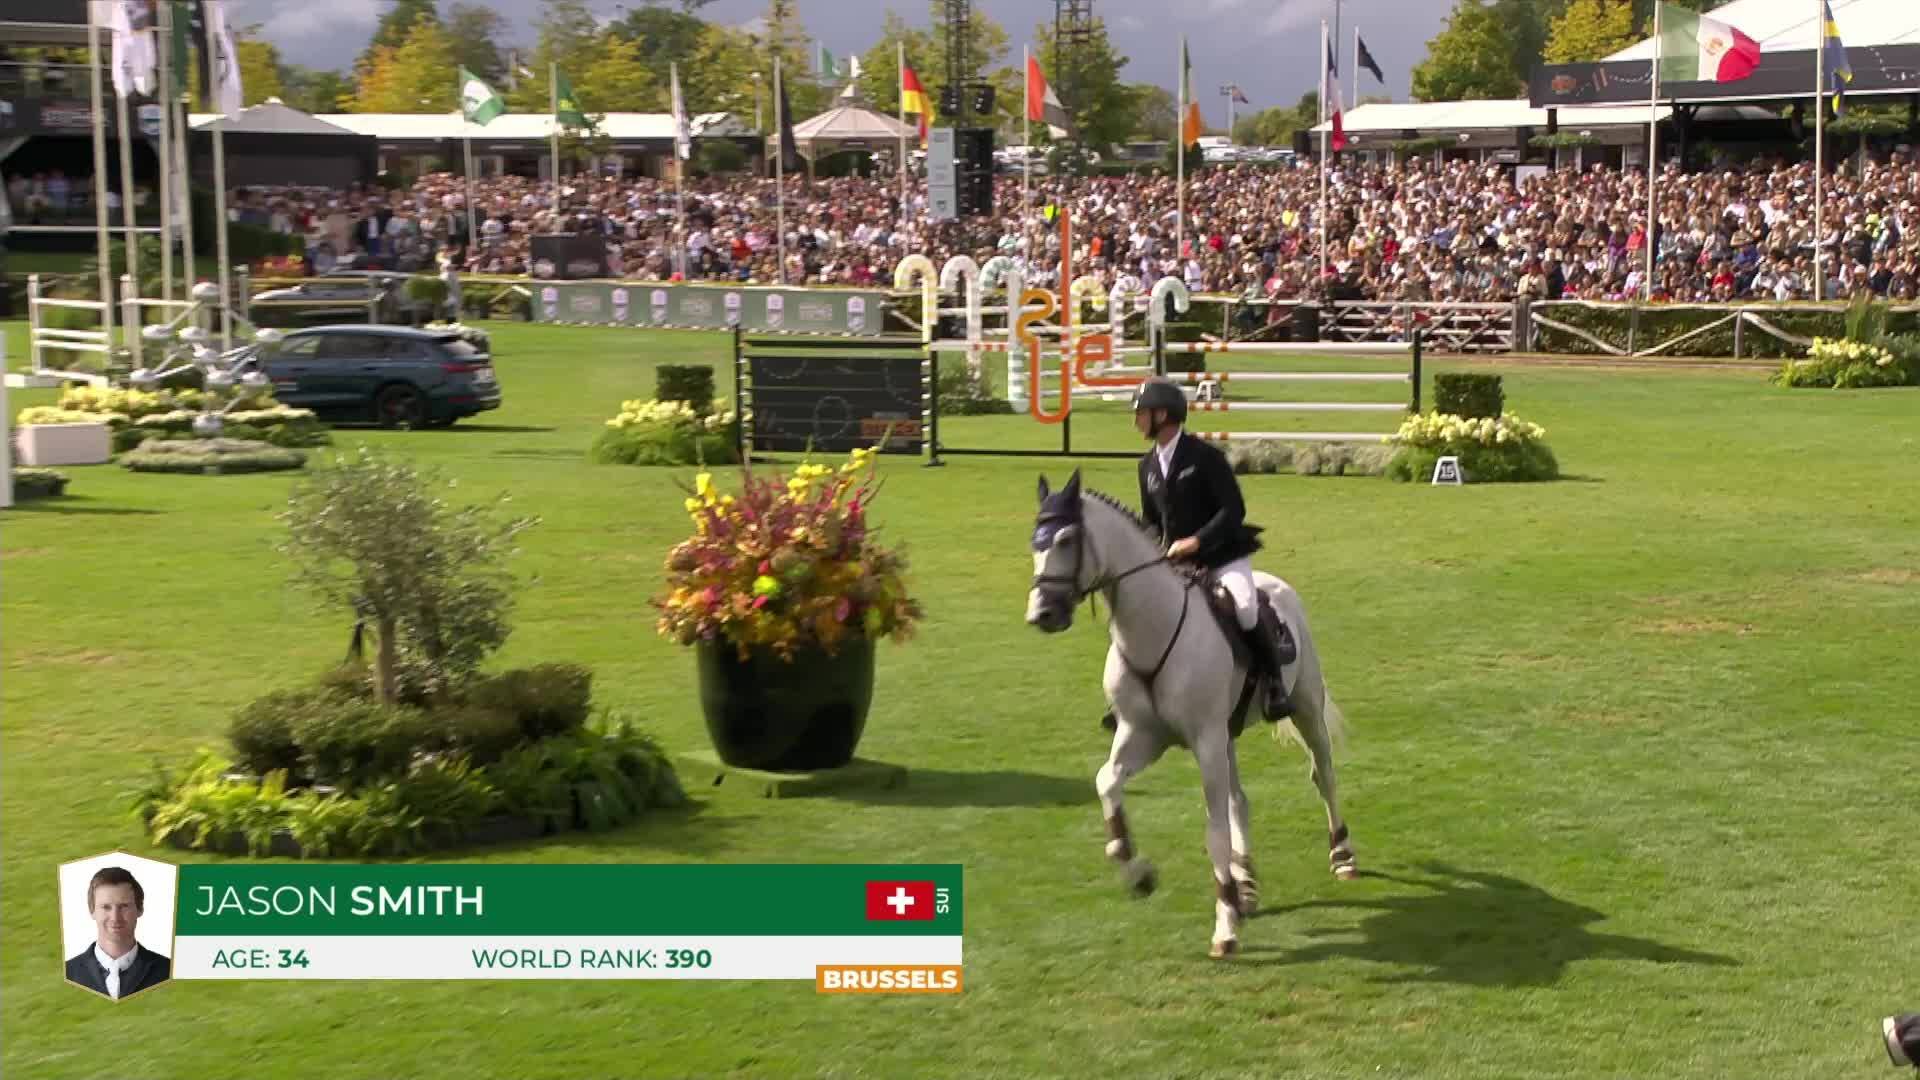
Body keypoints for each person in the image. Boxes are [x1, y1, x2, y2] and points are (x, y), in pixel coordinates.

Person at [1131, 375, 1295, 719]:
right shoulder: (1146, 466)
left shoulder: (1205, 456)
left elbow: (1234, 510)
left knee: (1246, 607)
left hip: (1221, 556)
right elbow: (1150, 519)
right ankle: (1132, 698)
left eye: (1142, 412)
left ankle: (1275, 683)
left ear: (1162, 415)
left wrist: (1197, 542)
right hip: (1175, 564)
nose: (1137, 420)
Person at [65, 867, 170, 1001]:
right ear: (92, 911)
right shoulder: (68, 973)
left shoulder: (168, 971)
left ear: (140, 909)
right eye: (106, 907)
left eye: (124, 906)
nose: (115, 917)